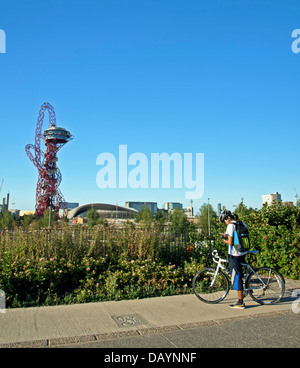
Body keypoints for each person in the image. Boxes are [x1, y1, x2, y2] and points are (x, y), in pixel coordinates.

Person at [219, 210, 248, 309]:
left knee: (237, 276)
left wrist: (223, 240)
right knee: (240, 273)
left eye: (224, 221)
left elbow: (231, 242)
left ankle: (240, 301)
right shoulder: (241, 223)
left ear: (227, 218)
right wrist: (227, 234)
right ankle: (246, 288)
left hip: (234, 254)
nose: (225, 223)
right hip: (243, 251)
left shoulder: (230, 226)